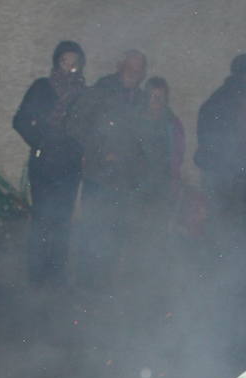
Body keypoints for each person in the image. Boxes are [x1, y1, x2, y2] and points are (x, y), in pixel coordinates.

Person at [67, 49, 148, 287]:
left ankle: (104, 288)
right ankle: (84, 286)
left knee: (115, 233)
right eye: (130, 68)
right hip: (99, 176)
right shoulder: (99, 92)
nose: (134, 73)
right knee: (92, 229)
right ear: (119, 66)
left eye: (139, 69)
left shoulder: (141, 100)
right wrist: (100, 152)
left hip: (125, 179)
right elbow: (74, 125)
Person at [12, 40, 86, 286]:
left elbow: (88, 128)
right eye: (65, 61)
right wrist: (39, 141)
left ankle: (56, 276)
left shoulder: (83, 94)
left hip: (69, 166)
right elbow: (20, 120)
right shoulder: (42, 88)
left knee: (62, 220)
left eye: (74, 63)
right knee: (43, 218)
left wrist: (78, 148)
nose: (69, 67)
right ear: (57, 62)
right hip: (44, 165)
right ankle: (37, 275)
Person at [194, 53, 246, 249]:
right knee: (232, 235)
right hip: (232, 181)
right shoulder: (244, 100)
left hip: (215, 177)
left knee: (216, 232)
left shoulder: (216, 98)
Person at [134, 76, 184, 236]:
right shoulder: (135, 120)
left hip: (162, 186)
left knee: (158, 231)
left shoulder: (172, 123)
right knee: (135, 231)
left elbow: (178, 154)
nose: (157, 101)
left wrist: (174, 181)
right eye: (153, 96)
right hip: (137, 185)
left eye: (161, 97)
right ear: (146, 97)